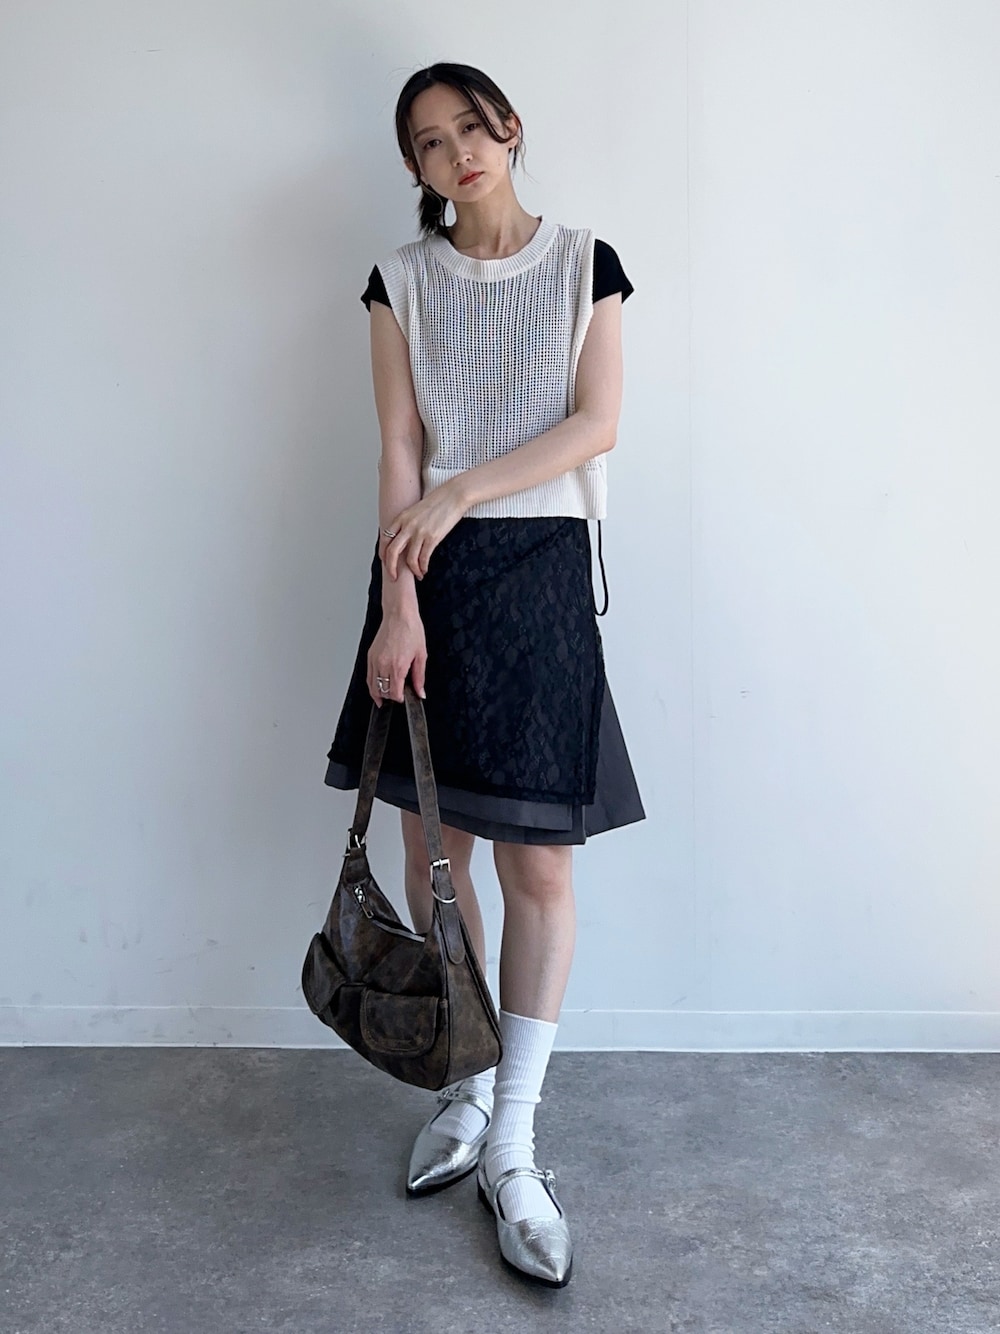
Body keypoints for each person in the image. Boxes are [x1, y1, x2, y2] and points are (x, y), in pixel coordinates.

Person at [324, 61, 645, 1287]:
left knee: (539, 865)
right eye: (428, 140)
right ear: (413, 167)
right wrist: (399, 598)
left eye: (471, 125)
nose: (456, 150)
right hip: (426, 580)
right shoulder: (398, 280)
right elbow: (398, 445)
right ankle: (463, 1084)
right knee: (433, 854)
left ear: (510, 129)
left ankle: (513, 1138)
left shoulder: (585, 263)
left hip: (539, 572)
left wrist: (461, 494)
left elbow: (594, 424)